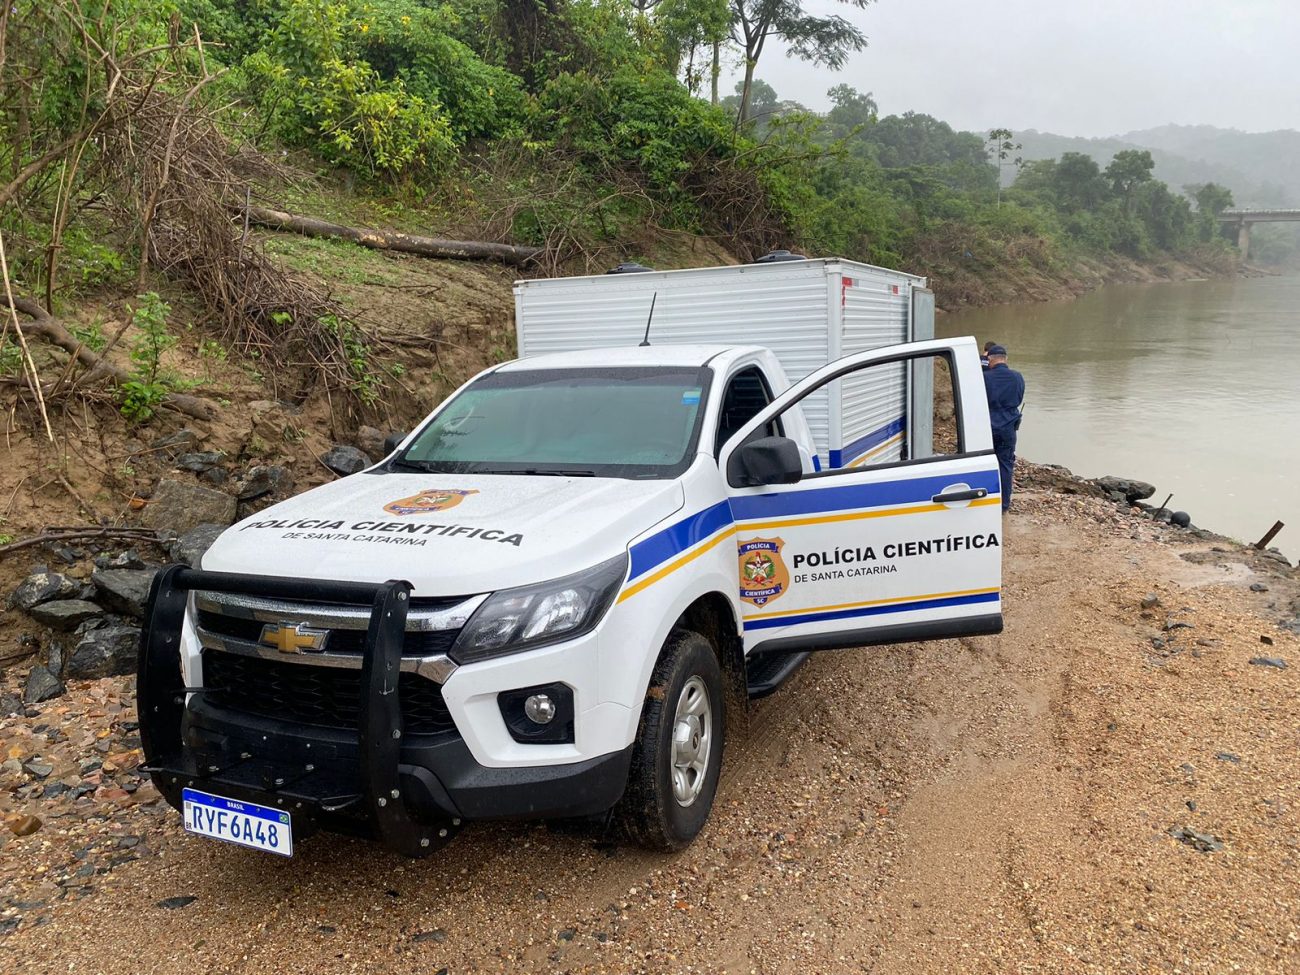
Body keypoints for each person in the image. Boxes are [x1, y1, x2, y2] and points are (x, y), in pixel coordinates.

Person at [982, 344, 1024, 512]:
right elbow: (1019, 398)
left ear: (990, 360)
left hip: (988, 426)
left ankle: (985, 499)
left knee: (984, 464)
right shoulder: (1017, 377)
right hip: (1008, 428)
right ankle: (1003, 504)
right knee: (1005, 465)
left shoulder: (985, 377)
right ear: (1006, 359)